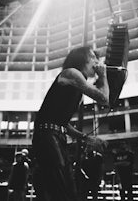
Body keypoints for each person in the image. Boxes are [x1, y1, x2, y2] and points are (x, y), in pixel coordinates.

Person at [32, 46, 109, 201]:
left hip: (55, 137)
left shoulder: (77, 86)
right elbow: (104, 99)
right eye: (93, 57)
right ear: (82, 58)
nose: (96, 61)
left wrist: (85, 138)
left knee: (67, 190)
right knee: (61, 190)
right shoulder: (72, 73)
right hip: (48, 137)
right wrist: (103, 76)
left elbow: (61, 122)